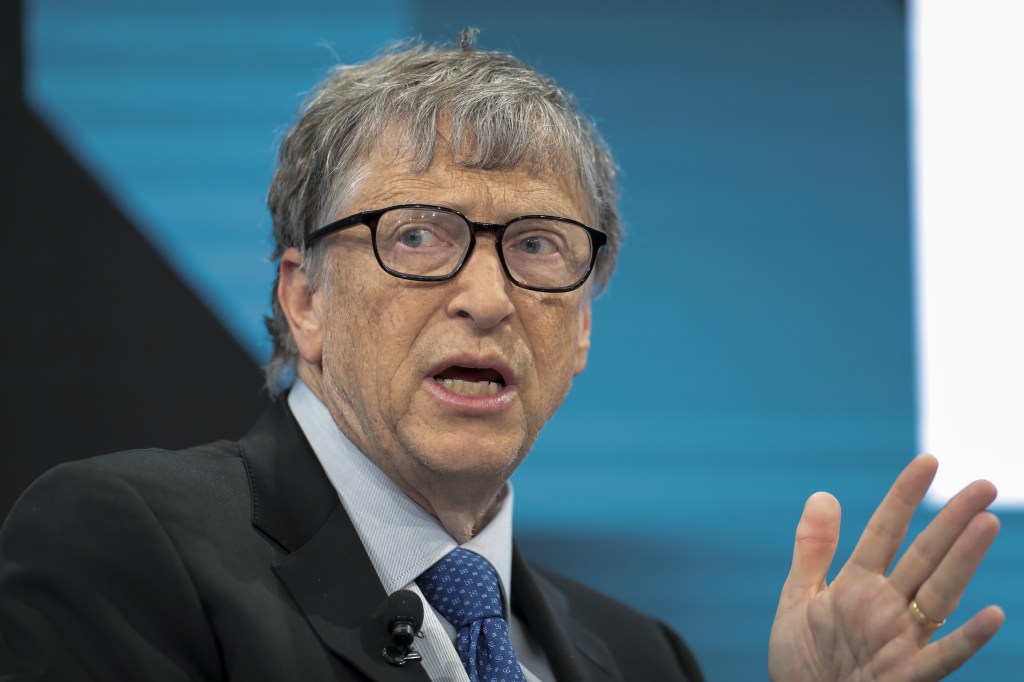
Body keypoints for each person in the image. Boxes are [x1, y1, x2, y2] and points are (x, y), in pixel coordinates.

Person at [0, 34, 1004, 681]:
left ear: (582, 332)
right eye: (420, 235)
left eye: (537, 248)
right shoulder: (127, 547)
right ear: (303, 298)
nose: (486, 298)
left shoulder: (643, 658)